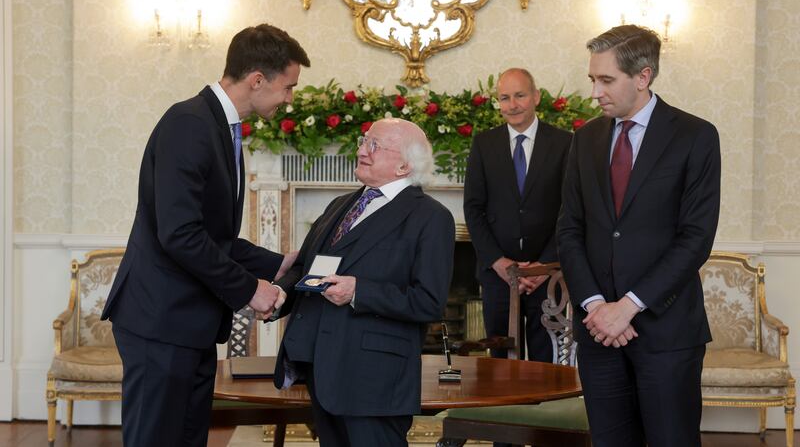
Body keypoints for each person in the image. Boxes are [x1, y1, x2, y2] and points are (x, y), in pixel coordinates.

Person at [101, 23, 310, 447]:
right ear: (257, 80)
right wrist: (251, 289)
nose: (290, 98)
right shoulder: (189, 123)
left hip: (188, 322)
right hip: (160, 320)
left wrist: (277, 264)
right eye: (288, 87)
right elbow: (179, 234)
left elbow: (214, 236)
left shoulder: (220, 127)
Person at [557, 24, 721, 447]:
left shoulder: (695, 136)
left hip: (666, 332)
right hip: (598, 334)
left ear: (643, 77)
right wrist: (596, 307)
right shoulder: (585, 138)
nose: (595, 92)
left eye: (606, 80)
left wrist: (627, 307)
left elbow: (695, 238)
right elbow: (570, 230)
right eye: (592, 79)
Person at [272, 118, 454, 447]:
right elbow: (307, 268)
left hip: (375, 378)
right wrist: (275, 297)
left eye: (374, 145)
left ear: (404, 165)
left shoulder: (431, 217)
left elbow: (428, 301)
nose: (361, 151)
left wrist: (359, 292)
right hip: (321, 366)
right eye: (363, 141)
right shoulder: (340, 205)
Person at [463, 68, 572, 365]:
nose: (512, 105)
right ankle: (504, 412)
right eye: (505, 98)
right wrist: (499, 263)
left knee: (546, 358)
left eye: (520, 95)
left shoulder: (565, 143)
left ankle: (544, 412)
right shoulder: (484, 144)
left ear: (536, 96)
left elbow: (570, 210)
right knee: (500, 358)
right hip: (498, 275)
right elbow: (473, 208)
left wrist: (542, 266)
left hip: (548, 274)